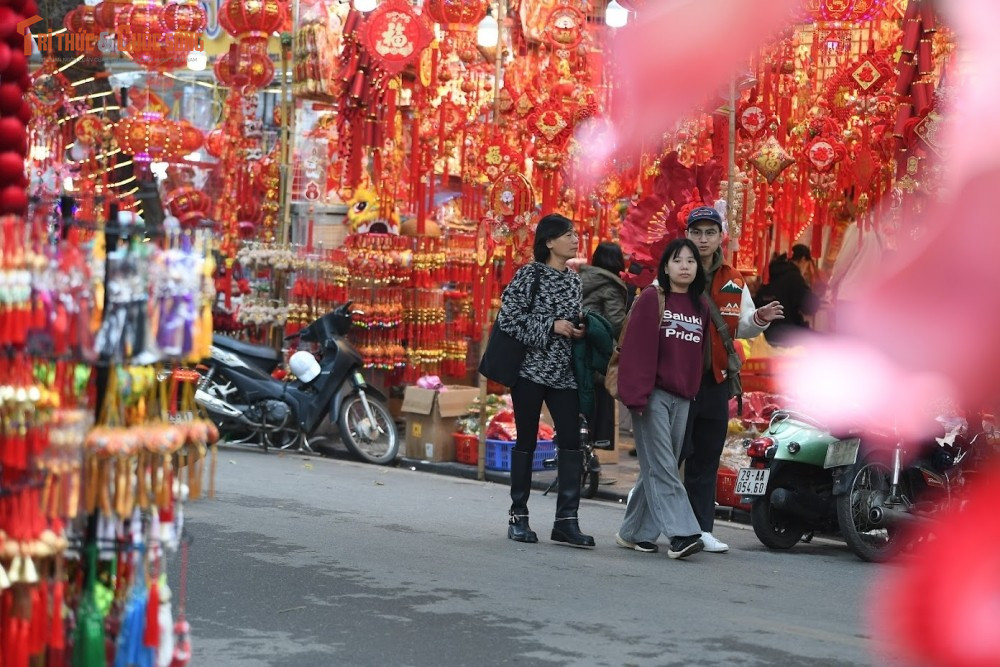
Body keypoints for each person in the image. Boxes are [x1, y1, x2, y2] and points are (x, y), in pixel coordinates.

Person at [682, 207, 784, 554]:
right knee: (670, 456)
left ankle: (701, 529)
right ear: (687, 235)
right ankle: (645, 525)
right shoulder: (676, 270)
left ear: (720, 237)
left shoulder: (733, 279)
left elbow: (742, 325)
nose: (703, 239)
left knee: (707, 456)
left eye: (710, 232)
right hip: (678, 381)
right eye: (697, 232)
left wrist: (760, 318)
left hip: (716, 379)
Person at [494, 213, 595, 548]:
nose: (575, 239)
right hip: (529, 371)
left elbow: (571, 320)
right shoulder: (529, 274)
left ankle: (566, 521)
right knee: (526, 441)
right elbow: (508, 319)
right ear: (549, 242)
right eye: (568, 234)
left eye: (576, 233)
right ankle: (518, 517)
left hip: (563, 373)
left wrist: (578, 329)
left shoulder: (575, 281)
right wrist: (551, 326)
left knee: (571, 441)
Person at [614, 238, 709, 559]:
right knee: (664, 465)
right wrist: (637, 396)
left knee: (656, 465)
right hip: (652, 395)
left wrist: (693, 390)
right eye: (677, 260)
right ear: (666, 267)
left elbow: (698, 355)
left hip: (683, 397)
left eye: (691, 261)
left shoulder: (700, 306)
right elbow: (635, 350)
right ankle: (683, 533)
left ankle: (633, 532)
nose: (685, 266)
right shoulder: (652, 299)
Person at [579, 242, 629, 448]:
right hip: (599, 351)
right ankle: (591, 449)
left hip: (579, 347)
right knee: (599, 402)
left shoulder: (583, 279)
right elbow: (616, 322)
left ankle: (579, 450)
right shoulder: (610, 285)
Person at [757, 244, 818, 347]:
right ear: (803, 260)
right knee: (824, 343)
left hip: (763, 331)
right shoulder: (794, 276)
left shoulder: (771, 272)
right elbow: (809, 307)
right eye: (807, 265)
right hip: (784, 330)